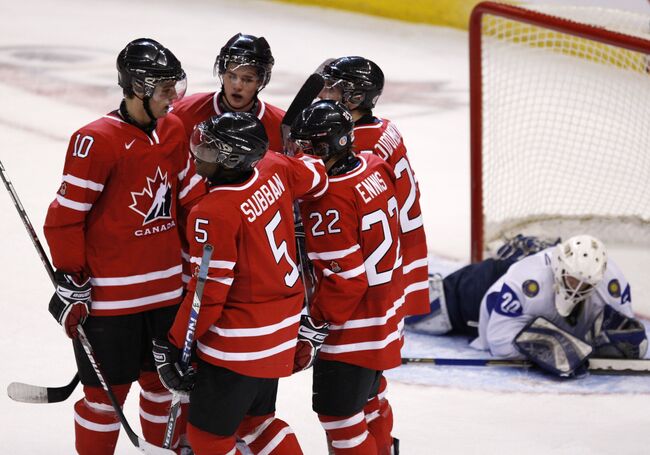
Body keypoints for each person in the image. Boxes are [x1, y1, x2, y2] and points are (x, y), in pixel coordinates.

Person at [43, 38, 206, 454]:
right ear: (138, 87)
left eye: (176, 86)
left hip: (168, 294)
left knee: (162, 388)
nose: (174, 97)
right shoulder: (96, 140)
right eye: (166, 88)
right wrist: (72, 279)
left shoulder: (173, 129)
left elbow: (190, 201)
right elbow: (64, 219)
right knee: (104, 400)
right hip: (112, 302)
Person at [151, 112, 328, 455]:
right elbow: (318, 179)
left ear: (233, 159)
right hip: (281, 331)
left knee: (207, 438)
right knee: (257, 423)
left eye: (211, 149)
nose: (199, 151)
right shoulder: (274, 166)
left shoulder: (212, 212)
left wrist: (174, 343)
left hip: (238, 344)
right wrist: (299, 156)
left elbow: (208, 296)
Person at [290, 100, 403, 454]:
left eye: (315, 148)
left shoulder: (328, 202)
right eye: (302, 146)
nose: (306, 156)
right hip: (386, 313)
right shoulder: (374, 165)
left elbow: (346, 280)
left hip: (352, 328)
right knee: (371, 401)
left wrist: (314, 324)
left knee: (340, 420)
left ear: (336, 144)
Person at [406, 235, 648, 377]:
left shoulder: (611, 283)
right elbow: (498, 340)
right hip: (484, 290)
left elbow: (631, 339)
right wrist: (553, 345)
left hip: (533, 302)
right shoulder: (526, 280)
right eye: (572, 280)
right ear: (560, 268)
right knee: (417, 308)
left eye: (584, 284)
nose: (576, 288)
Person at [319, 56, 429, 318]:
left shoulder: (359, 147)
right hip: (401, 243)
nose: (324, 93)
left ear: (354, 98)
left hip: (374, 258)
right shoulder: (385, 128)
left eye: (333, 88)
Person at [172, 33, 285, 152]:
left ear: (260, 81)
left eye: (247, 80)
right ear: (222, 74)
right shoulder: (182, 113)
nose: (237, 86)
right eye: (231, 76)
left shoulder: (281, 128)